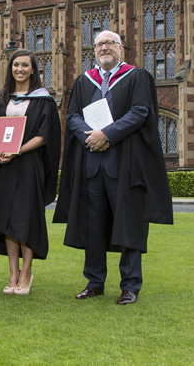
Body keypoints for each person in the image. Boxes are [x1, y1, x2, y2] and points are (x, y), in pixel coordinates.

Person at [53, 30, 173, 305]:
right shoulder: (84, 81)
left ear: (121, 48)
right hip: (92, 165)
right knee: (93, 225)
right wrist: (90, 137)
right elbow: (72, 115)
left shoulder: (136, 76)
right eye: (99, 44)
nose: (104, 47)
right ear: (93, 50)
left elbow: (140, 112)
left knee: (129, 224)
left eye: (110, 43)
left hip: (125, 165)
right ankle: (94, 282)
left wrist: (106, 134)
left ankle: (130, 285)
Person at [0, 49, 61, 296]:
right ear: (11, 68)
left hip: (28, 165)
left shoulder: (43, 100)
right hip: (3, 166)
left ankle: (27, 273)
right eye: (16, 65)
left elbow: (45, 135)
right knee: (7, 220)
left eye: (25, 65)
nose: (20, 69)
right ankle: (13, 273)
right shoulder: (0, 99)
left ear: (33, 69)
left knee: (25, 219)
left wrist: (17, 150)